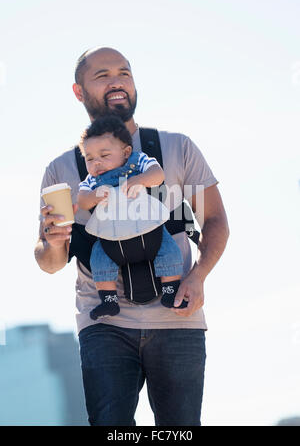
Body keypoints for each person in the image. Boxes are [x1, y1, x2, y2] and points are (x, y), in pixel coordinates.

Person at [35, 47, 229, 426]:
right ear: (79, 92)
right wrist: (53, 242)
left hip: (178, 319)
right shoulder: (60, 170)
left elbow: (216, 219)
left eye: (124, 72)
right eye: (103, 75)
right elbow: (49, 261)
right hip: (103, 325)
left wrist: (198, 276)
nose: (117, 81)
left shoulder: (176, 148)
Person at [77, 114, 185, 319]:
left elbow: (158, 174)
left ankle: (170, 291)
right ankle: (108, 300)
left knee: (169, 251)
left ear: (126, 152)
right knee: (99, 259)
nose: (96, 163)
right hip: (111, 237)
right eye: (89, 158)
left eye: (104, 155)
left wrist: (140, 179)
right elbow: (82, 200)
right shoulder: (92, 180)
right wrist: (94, 196)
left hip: (148, 227)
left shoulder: (138, 162)